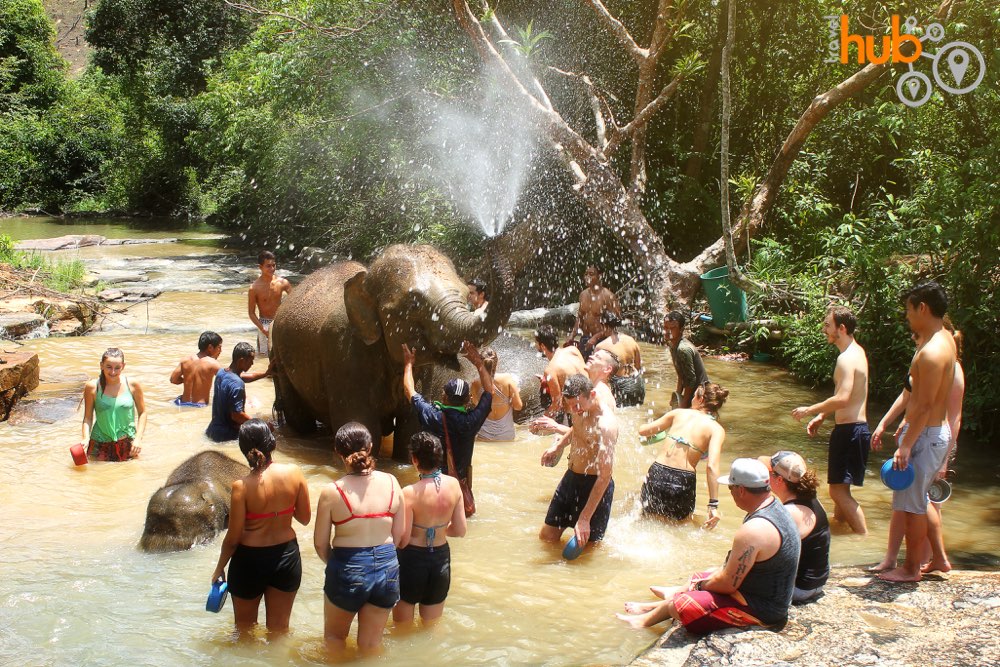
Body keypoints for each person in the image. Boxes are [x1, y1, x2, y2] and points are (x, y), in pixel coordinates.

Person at [617, 458, 800, 634]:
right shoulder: (774, 507)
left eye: (730, 488)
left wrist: (699, 586)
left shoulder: (753, 530)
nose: (730, 492)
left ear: (741, 490)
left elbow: (728, 585)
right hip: (762, 594)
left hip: (762, 610)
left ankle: (644, 620)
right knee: (698, 577)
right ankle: (655, 607)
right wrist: (700, 582)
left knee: (683, 604)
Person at [879, 282, 956, 583]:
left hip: (926, 435)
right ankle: (938, 559)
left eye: (909, 310)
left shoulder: (932, 352)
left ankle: (910, 569)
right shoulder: (945, 338)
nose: (907, 317)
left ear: (922, 308)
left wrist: (905, 445)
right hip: (933, 431)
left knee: (912, 507)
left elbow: (923, 405)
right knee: (918, 501)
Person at [211, 419, 311, 635]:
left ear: (243, 449)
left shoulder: (241, 487)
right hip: (286, 557)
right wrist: (280, 508)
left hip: (249, 562)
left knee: (244, 631)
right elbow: (304, 518)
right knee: (280, 631)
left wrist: (220, 567)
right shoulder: (295, 473)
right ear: (272, 443)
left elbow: (233, 538)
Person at [314, 422, 405, 655]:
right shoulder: (393, 483)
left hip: (347, 565)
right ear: (371, 446)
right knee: (371, 645)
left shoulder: (332, 492)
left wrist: (339, 565)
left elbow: (320, 544)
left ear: (338, 452)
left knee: (335, 638)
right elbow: (399, 535)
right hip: (387, 567)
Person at [791, 305, 871, 535]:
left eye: (827, 325)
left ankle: (863, 539)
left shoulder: (846, 359)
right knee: (840, 491)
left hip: (850, 431)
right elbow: (848, 396)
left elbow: (843, 398)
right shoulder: (857, 352)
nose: (823, 329)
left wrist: (809, 409)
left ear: (842, 328)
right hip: (856, 428)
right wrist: (822, 415)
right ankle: (843, 537)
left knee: (837, 493)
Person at [402, 341, 493, 517]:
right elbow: (489, 392)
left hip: (431, 484)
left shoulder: (432, 415)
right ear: (468, 400)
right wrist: (479, 364)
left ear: (443, 396)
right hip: (460, 484)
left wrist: (408, 364)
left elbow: (409, 390)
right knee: (457, 521)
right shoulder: (471, 421)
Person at [393, 432, 467, 627]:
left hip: (412, 561)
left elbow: (403, 539)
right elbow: (460, 530)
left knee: (402, 628)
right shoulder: (454, 485)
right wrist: (439, 531)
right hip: (441, 560)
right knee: (432, 626)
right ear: (439, 456)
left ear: (415, 459)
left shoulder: (409, 493)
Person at [539, 374, 618, 554]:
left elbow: (605, 476)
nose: (574, 410)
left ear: (591, 394)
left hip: (595, 486)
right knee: (546, 538)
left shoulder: (606, 425)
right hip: (571, 480)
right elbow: (578, 430)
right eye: (571, 405)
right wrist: (558, 446)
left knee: (588, 554)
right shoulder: (579, 407)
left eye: (577, 405)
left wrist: (584, 518)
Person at [636, 382, 728, 528]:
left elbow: (643, 431)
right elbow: (712, 466)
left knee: (646, 520)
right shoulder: (716, 429)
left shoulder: (678, 413)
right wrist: (713, 505)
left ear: (700, 399)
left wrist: (663, 431)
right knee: (680, 527)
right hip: (683, 479)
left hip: (658, 472)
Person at [760, 451, 830, 604]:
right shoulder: (812, 500)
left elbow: (764, 555)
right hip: (815, 583)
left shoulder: (789, 512)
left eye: (769, 473)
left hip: (799, 589)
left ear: (779, 480)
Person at [529, 347, 617, 436]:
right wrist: (558, 446)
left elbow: (591, 436)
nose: (591, 356)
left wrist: (555, 427)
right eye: (594, 354)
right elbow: (580, 430)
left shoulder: (598, 396)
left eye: (598, 357)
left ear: (607, 369)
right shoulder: (590, 391)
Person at [80, 347, 147, 461]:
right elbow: (87, 417)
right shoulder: (92, 387)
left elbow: (143, 413)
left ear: (123, 366)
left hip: (128, 444)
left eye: (117, 368)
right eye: (108, 367)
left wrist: (138, 439)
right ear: (101, 365)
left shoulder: (133, 385)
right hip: (99, 443)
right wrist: (85, 438)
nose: (113, 372)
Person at [206, 342, 271, 442]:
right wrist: (262, 425)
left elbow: (243, 377)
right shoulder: (237, 384)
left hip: (212, 431)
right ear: (241, 361)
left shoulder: (221, 373)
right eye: (250, 361)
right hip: (227, 436)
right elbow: (236, 415)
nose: (252, 364)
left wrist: (266, 374)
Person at [533, 324, 586, 424]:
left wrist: (540, 421)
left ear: (543, 346)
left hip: (577, 413)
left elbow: (557, 404)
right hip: (591, 402)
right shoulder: (573, 350)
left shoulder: (551, 369)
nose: (535, 344)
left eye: (536, 342)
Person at [567, 265, 620, 357]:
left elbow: (615, 324)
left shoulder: (608, 297)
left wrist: (595, 338)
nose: (587, 277)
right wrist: (572, 334)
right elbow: (580, 317)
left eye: (591, 274)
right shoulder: (583, 295)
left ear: (600, 276)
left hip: (603, 341)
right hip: (586, 338)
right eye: (586, 274)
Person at [472, 347, 522, 442]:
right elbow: (518, 406)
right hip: (506, 437)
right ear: (497, 363)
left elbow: (476, 405)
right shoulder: (507, 379)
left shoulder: (475, 383)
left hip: (484, 436)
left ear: (481, 364)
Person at [595, 311, 645, 406]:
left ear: (603, 326)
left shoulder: (600, 347)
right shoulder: (631, 340)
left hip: (620, 388)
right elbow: (638, 367)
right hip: (637, 384)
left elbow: (598, 376)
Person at [248, 250, 292, 357]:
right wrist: (263, 328)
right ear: (260, 267)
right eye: (268, 266)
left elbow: (295, 301)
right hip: (263, 323)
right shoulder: (254, 288)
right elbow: (251, 313)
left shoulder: (283, 283)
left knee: (284, 355)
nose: (272, 269)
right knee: (264, 356)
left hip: (279, 321)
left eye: (274, 265)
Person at [663, 311, 710, 409]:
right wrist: (677, 395)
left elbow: (691, 380)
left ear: (681, 329)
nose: (668, 331)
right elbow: (681, 374)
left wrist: (683, 404)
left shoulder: (683, 349)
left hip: (701, 396)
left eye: (672, 328)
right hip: (694, 394)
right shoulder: (672, 344)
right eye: (665, 327)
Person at [169, 331, 223, 406]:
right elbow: (228, 379)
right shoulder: (212, 363)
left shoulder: (185, 360)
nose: (220, 351)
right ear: (210, 347)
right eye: (219, 347)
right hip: (199, 406)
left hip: (182, 403)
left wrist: (188, 380)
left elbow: (173, 379)